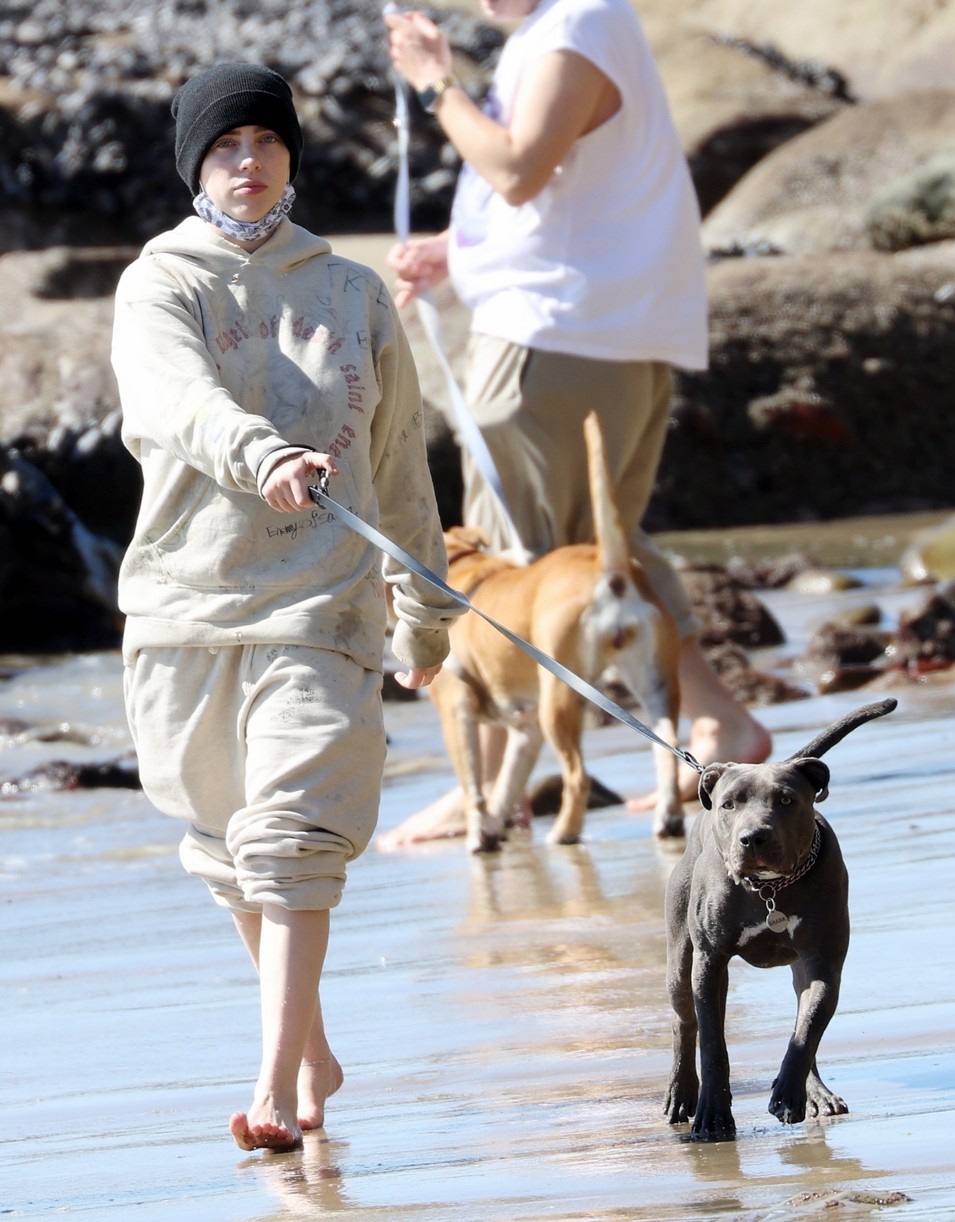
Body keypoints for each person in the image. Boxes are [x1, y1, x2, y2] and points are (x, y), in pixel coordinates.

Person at [111, 62, 462, 1151]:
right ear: (196, 165)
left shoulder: (351, 293)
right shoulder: (159, 283)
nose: (249, 164)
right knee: (225, 850)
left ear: (292, 158)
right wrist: (261, 452)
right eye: (226, 148)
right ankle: (310, 1042)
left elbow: (400, 462)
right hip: (187, 605)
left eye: (266, 143)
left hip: (323, 602)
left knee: (291, 841)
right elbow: (177, 402)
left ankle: (274, 1088)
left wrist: (427, 601)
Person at [380, 0, 770, 846]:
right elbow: (568, 190)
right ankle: (723, 727)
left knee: (500, 564)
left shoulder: (573, 24)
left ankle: (486, 789)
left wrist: (435, 81)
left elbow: (518, 169)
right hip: (609, 329)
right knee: (607, 549)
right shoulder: (584, 23)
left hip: (552, 338)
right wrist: (461, 252)